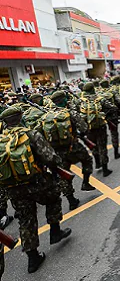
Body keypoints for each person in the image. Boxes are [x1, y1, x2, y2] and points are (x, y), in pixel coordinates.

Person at [0, 106, 71, 273]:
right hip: (37, 183)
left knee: (26, 219)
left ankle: (33, 258)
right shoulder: (30, 134)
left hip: (14, 189)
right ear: (20, 117)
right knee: (53, 198)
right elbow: (50, 158)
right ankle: (55, 231)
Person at [48, 91, 96, 210]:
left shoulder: (47, 116)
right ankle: (85, 182)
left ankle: (71, 200)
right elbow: (84, 128)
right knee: (88, 160)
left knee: (64, 175)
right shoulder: (70, 113)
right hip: (73, 147)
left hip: (57, 151)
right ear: (64, 100)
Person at [80, 82, 115, 177]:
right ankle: (105, 169)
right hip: (100, 127)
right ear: (93, 89)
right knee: (102, 147)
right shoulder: (100, 99)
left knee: (93, 146)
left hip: (88, 128)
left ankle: (97, 163)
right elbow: (112, 108)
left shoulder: (81, 101)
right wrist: (104, 114)